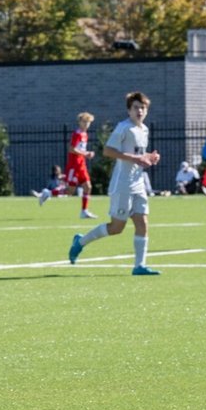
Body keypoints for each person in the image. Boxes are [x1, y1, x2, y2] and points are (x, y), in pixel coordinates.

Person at [69, 91, 161, 276]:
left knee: (142, 222)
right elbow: (108, 151)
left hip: (138, 183)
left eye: (143, 108)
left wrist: (150, 157)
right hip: (122, 184)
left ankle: (139, 266)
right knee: (117, 227)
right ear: (129, 110)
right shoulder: (123, 128)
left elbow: (138, 154)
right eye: (136, 107)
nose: (140, 111)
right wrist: (136, 158)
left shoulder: (144, 129)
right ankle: (80, 242)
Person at [38, 112, 95, 217]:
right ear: (79, 122)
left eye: (88, 122)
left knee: (88, 187)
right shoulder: (76, 134)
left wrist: (87, 153)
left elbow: (81, 149)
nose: (86, 124)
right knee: (70, 191)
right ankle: (48, 193)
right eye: (84, 122)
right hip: (74, 165)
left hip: (81, 165)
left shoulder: (85, 134)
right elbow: (71, 149)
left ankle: (84, 211)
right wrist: (86, 153)